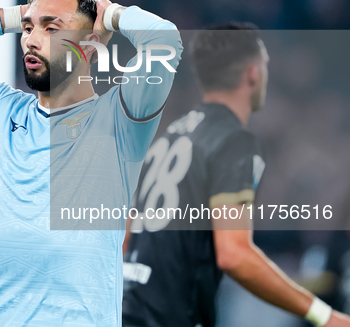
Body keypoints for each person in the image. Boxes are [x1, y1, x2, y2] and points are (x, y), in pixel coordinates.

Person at [0, 0, 182, 325]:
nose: (31, 39)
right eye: (29, 29)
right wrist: (15, 16)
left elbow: (165, 40)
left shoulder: (120, 120)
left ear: (90, 45)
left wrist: (112, 15)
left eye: (52, 29)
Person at [122, 23, 350, 327]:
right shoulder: (234, 141)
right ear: (253, 73)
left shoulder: (169, 138)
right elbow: (233, 254)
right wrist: (324, 315)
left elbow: (126, 238)